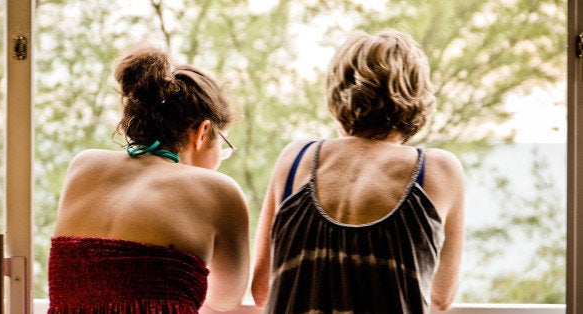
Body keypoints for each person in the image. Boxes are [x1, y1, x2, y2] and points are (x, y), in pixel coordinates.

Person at [251, 29, 465, 313]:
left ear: (337, 91)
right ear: (417, 94)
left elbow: (262, 289)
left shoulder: (295, 159)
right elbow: (441, 298)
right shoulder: (438, 170)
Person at [47, 45, 250, 313]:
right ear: (203, 132)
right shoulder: (219, 191)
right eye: (222, 143)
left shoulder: (83, 165)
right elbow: (224, 301)